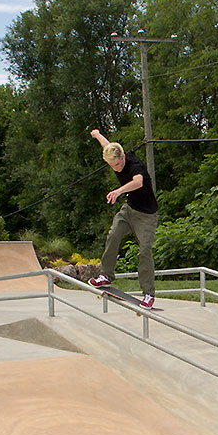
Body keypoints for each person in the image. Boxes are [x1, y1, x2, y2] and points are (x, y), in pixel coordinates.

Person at [87, 128, 158, 309]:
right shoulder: (113, 154)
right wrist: (96, 134)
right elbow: (106, 144)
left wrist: (119, 191)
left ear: (123, 157)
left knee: (145, 250)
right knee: (113, 234)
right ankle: (106, 276)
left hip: (146, 215)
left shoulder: (135, 165)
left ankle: (148, 294)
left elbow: (138, 182)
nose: (116, 169)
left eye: (118, 165)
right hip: (129, 210)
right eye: (113, 166)